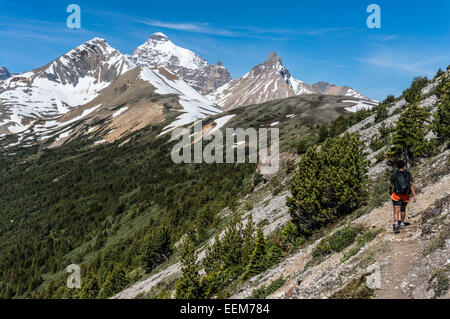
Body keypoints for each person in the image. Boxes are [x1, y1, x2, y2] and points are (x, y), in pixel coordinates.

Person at [389, 160, 417, 234]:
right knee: (403, 209)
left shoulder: (395, 174)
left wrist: (390, 190)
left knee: (396, 210)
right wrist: (414, 195)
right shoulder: (408, 174)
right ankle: (402, 223)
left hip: (397, 195)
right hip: (406, 195)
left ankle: (396, 223)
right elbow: (411, 185)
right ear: (404, 165)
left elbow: (391, 184)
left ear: (397, 166)